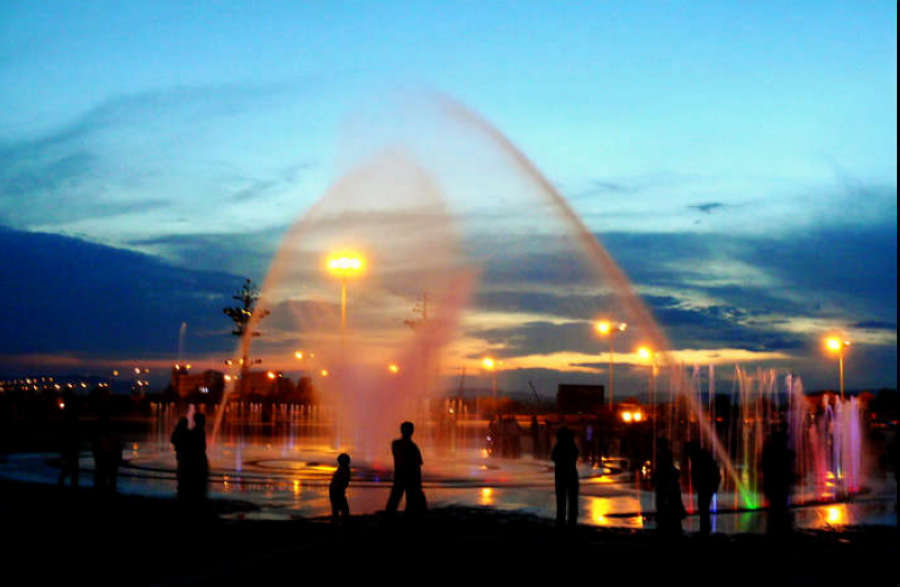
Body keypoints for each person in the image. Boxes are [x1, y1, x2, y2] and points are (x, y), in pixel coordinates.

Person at [385, 421, 426, 515]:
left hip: (399, 476)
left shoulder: (395, 444)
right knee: (410, 500)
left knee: (394, 499)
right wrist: (419, 482)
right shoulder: (413, 447)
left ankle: (388, 519)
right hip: (411, 478)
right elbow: (418, 465)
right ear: (412, 431)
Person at [761, 428, 794, 535]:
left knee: (775, 509)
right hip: (779, 486)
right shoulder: (785, 454)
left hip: (773, 486)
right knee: (780, 508)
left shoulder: (768, 453)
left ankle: (774, 530)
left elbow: (763, 467)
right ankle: (781, 531)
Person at [686, 441, 720, 535]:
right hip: (706, 487)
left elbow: (706, 472)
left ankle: (705, 530)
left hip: (706, 487)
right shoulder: (702, 457)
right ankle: (705, 529)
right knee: (703, 508)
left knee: (703, 508)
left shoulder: (700, 458)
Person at [654, 437, 685, 535]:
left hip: (665, 486)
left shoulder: (663, 455)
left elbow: (663, 470)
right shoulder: (665, 456)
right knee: (668, 506)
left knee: (664, 505)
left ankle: (666, 528)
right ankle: (672, 528)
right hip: (666, 486)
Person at [551, 426, 579, 526]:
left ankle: (560, 519)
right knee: (572, 499)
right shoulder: (572, 445)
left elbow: (553, 457)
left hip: (560, 474)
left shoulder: (558, 446)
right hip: (571, 474)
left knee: (561, 499)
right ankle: (572, 520)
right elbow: (576, 455)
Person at [92, 411, 122, 493]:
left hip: (105, 458)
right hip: (107, 458)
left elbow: (95, 447)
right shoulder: (108, 435)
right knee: (109, 477)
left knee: (104, 477)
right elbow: (117, 446)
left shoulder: (100, 435)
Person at [57, 393, 81, 487]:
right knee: (72, 468)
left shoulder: (68, 416)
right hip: (71, 445)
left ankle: (65, 483)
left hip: (69, 445)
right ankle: (71, 484)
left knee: (69, 467)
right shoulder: (72, 417)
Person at [329, 453, 351, 520]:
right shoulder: (344, 469)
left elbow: (343, 483)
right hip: (337, 492)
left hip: (335, 491)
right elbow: (344, 482)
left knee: (338, 509)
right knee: (343, 510)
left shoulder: (342, 469)